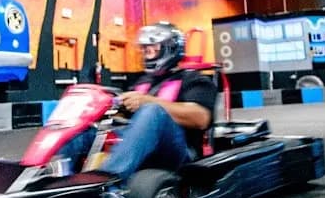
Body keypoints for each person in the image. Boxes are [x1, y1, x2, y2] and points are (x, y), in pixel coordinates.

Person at [57, 21, 218, 182]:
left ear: (170, 48)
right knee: (82, 128)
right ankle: (57, 178)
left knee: (152, 111)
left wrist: (147, 101)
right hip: (135, 142)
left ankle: (107, 180)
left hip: (177, 152)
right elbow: (128, 113)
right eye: (144, 48)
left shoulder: (194, 80)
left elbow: (201, 118)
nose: (146, 51)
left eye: (152, 46)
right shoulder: (142, 81)